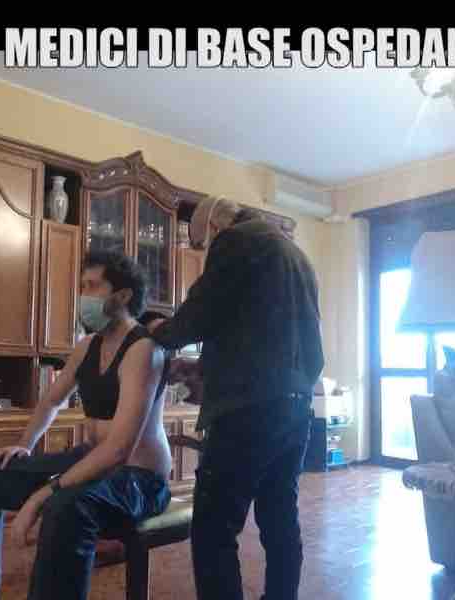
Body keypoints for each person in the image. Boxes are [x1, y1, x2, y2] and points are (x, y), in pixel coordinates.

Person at [0, 251, 172, 600]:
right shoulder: (87, 346)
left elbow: (119, 449)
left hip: (140, 479)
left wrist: (44, 494)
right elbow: (52, 400)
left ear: (122, 296)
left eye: (92, 286)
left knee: (66, 506)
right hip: (93, 459)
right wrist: (25, 444)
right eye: (82, 286)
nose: (82, 295)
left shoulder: (143, 350)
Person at [148, 196, 325, 600]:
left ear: (213, 228)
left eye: (200, 245)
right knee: (280, 519)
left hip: (249, 414)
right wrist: (203, 368)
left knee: (214, 527)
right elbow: (261, 332)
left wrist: (157, 330)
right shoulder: (295, 254)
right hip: (296, 406)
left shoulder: (235, 241)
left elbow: (198, 316)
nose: (204, 253)